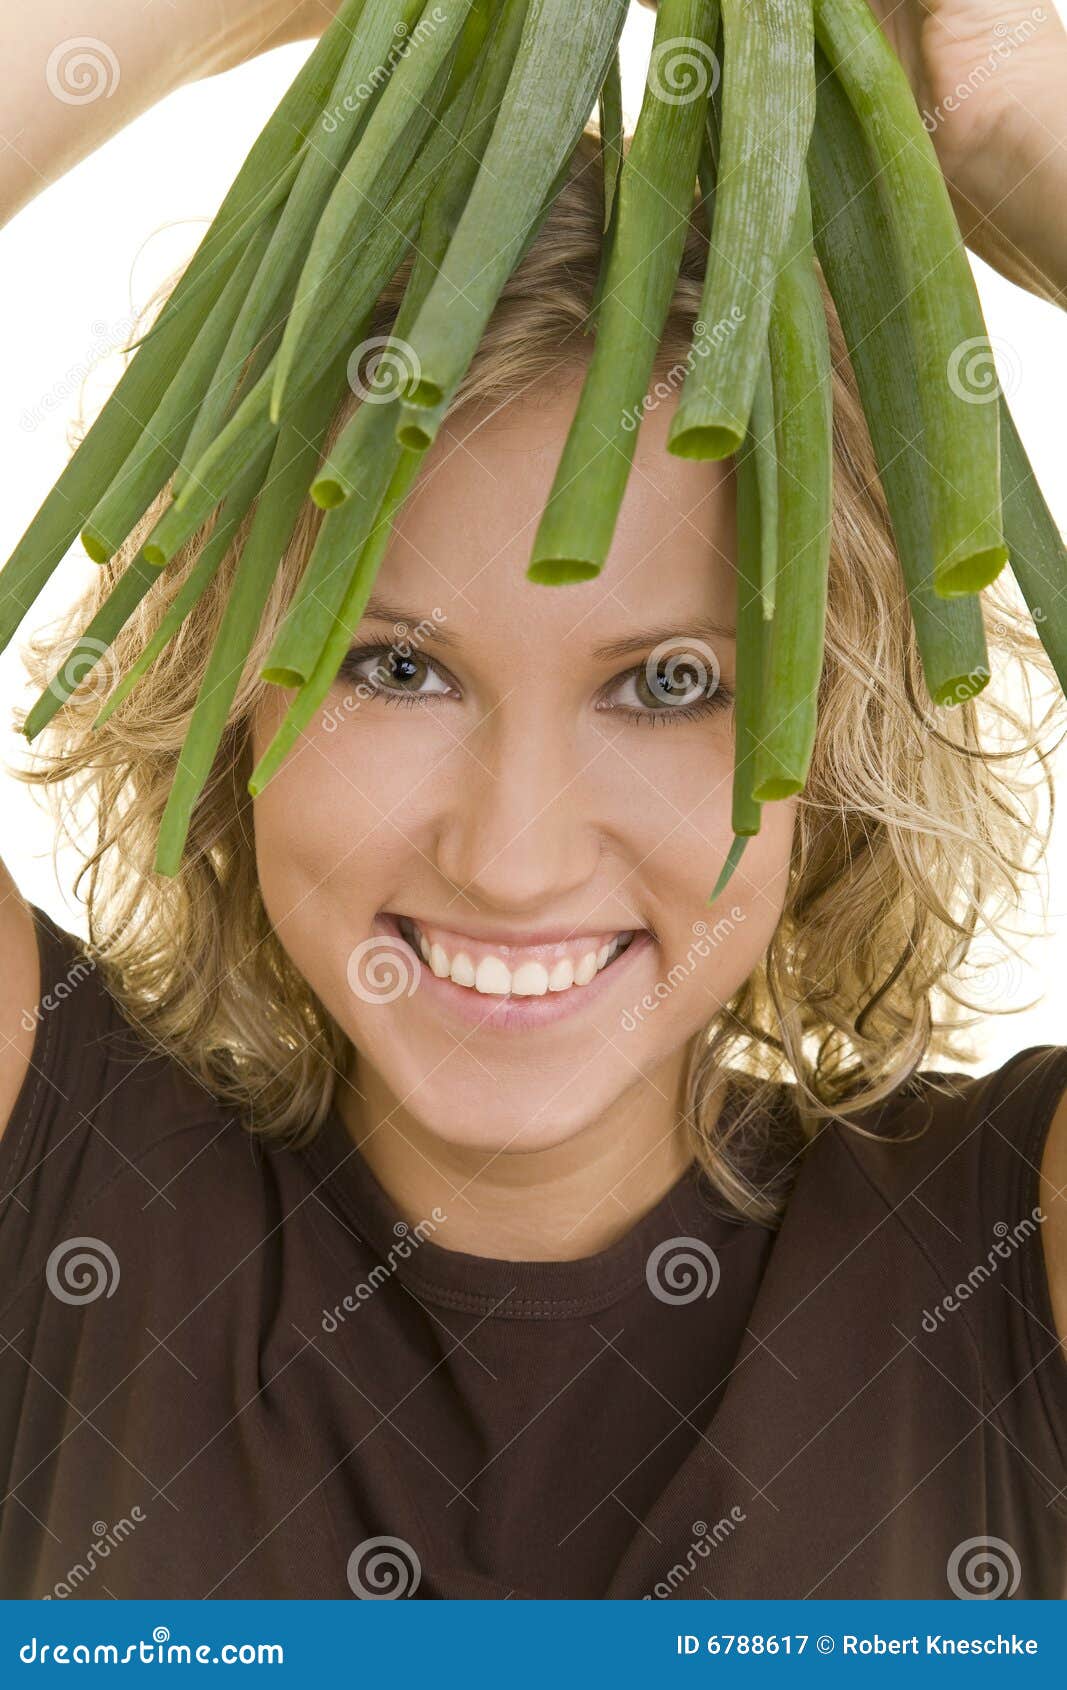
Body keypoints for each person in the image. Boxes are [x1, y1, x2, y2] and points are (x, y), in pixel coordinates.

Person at [1, 0, 1065, 1601]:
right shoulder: (66, 1177)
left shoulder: (1002, 1268)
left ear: (841, 723)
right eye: (396, 669)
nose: (512, 856)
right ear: (228, 685)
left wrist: (1024, 125)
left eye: (669, 684)